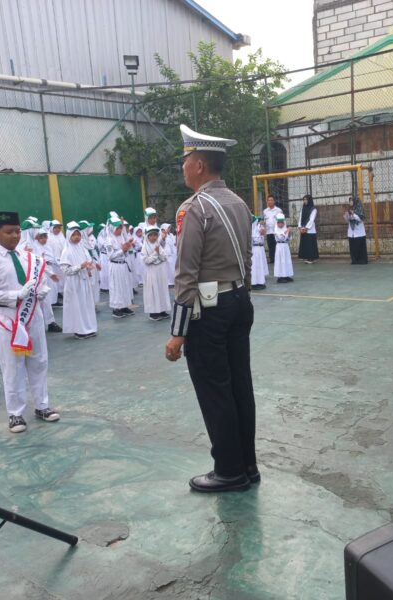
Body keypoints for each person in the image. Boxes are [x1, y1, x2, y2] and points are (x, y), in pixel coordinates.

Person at [165, 124, 256, 493]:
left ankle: (228, 470)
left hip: (210, 309)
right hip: (238, 300)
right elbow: (248, 258)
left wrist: (177, 333)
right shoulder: (238, 202)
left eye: (186, 160)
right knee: (239, 387)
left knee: (215, 390)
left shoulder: (194, 208)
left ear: (200, 164)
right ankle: (247, 465)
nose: (183, 167)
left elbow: (186, 275)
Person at [0, 211, 60, 433]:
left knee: (39, 361)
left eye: (17, 231)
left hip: (33, 316)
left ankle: (42, 405)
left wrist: (42, 291)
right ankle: (15, 414)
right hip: (8, 319)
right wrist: (16, 295)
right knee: (12, 367)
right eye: (9, 232)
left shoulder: (29, 257)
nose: (15, 236)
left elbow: (40, 281)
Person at [59, 222, 98, 339]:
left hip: (84, 281)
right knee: (77, 306)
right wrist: (79, 267)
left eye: (78, 234)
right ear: (69, 236)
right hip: (74, 283)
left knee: (86, 305)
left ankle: (89, 327)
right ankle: (79, 330)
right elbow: (66, 270)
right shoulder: (66, 251)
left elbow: (87, 261)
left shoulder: (82, 248)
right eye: (74, 235)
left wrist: (89, 268)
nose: (77, 237)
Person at [31, 228, 63, 333]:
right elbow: (39, 262)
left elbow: (51, 259)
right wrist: (50, 273)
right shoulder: (33, 247)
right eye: (41, 237)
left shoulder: (47, 247)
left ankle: (50, 322)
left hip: (48, 271)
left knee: (47, 299)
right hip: (40, 273)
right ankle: (42, 323)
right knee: (41, 300)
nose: (44, 239)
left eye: (45, 237)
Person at [106, 216, 135, 319]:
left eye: (120, 228)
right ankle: (116, 308)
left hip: (123, 264)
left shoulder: (121, 237)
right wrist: (122, 250)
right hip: (115, 265)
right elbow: (110, 256)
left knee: (124, 286)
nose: (119, 230)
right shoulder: (109, 240)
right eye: (117, 228)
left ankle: (124, 306)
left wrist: (127, 247)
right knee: (116, 287)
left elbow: (125, 249)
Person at [142, 225, 171, 321]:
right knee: (153, 291)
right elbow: (147, 260)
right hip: (151, 272)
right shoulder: (144, 247)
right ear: (147, 236)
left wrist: (158, 253)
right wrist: (156, 253)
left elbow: (164, 257)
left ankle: (162, 310)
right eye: (151, 235)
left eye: (155, 235)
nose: (153, 237)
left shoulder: (158, 245)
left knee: (161, 290)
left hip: (160, 271)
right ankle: (153, 312)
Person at [345, 196, 368, 265]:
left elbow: (360, 218)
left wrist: (353, 214)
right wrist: (347, 217)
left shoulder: (359, 209)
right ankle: (354, 260)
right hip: (351, 232)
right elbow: (348, 221)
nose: (350, 202)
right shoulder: (350, 209)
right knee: (353, 247)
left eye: (351, 201)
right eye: (349, 201)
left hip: (359, 232)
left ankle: (362, 260)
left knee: (360, 247)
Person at [297, 194, 319, 264]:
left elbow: (311, 220)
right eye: (304, 200)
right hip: (303, 229)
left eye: (306, 200)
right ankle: (306, 257)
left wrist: (306, 228)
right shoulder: (302, 208)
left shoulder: (313, 209)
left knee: (310, 245)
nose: (305, 201)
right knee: (305, 244)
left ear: (309, 200)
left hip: (310, 230)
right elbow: (300, 218)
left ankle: (311, 258)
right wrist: (300, 227)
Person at [262, 194, 283, 264]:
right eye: (268, 200)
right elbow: (265, 221)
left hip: (276, 232)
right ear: (267, 202)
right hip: (268, 231)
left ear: (274, 201)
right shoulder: (265, 211)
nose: (270, 201)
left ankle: (278, 259)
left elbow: (281, 221)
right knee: (270, 245)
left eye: (271, 200)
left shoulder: (278, 210)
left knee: (276, 246)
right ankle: (272, 259)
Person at [273, 215, 294, 283]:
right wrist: (287, 231)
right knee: (280, 261)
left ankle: (286, 275)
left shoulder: (285, 228)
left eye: (282, 222)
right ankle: (280, 277)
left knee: (286, 260)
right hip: (279, 246)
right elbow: (280, 237)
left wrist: (290, 232)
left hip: (285, 246)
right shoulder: (276, 229)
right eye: (279, 222)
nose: (280, 224)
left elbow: (288, 238)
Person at [251, 215, 268, 289]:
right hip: (255, 248)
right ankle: (254, 283)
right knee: (255, 267)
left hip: (259, 248)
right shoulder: (252, 230)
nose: (258, 223)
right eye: (257, 222)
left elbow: (263, 234)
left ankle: (260, 282)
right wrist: (260, 232)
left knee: (259, 266)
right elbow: (255, 238)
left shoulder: (258, 228)